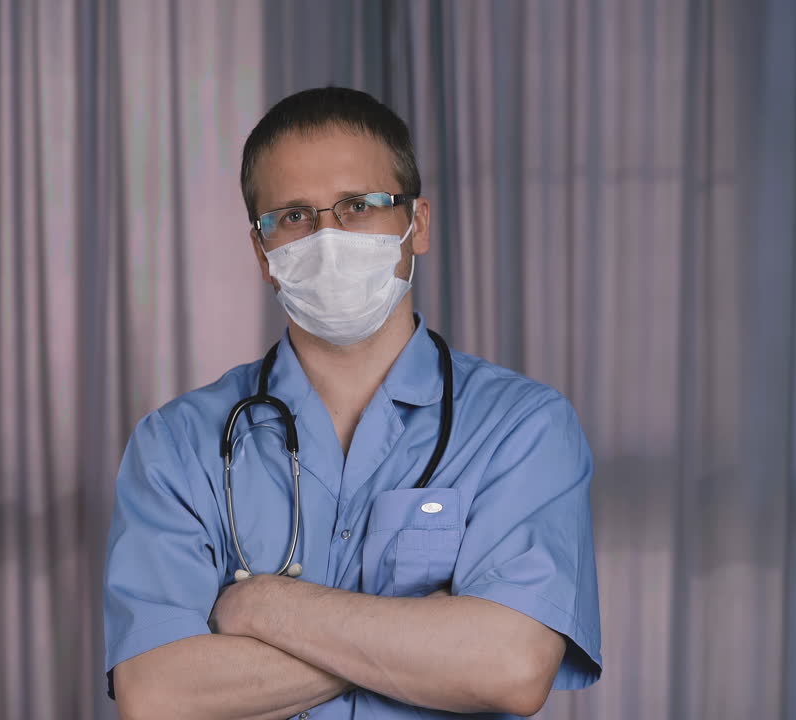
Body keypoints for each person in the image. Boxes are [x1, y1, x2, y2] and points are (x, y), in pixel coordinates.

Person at [103, 87, 602, 719]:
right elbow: (158, 696)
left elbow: (510, 667)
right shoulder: (176, 445)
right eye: (293, 217)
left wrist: (260, 608)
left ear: (415, 225)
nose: (327, 238)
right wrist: (426, 634)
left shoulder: (523, 427)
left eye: (359, 207)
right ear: (262, 253)